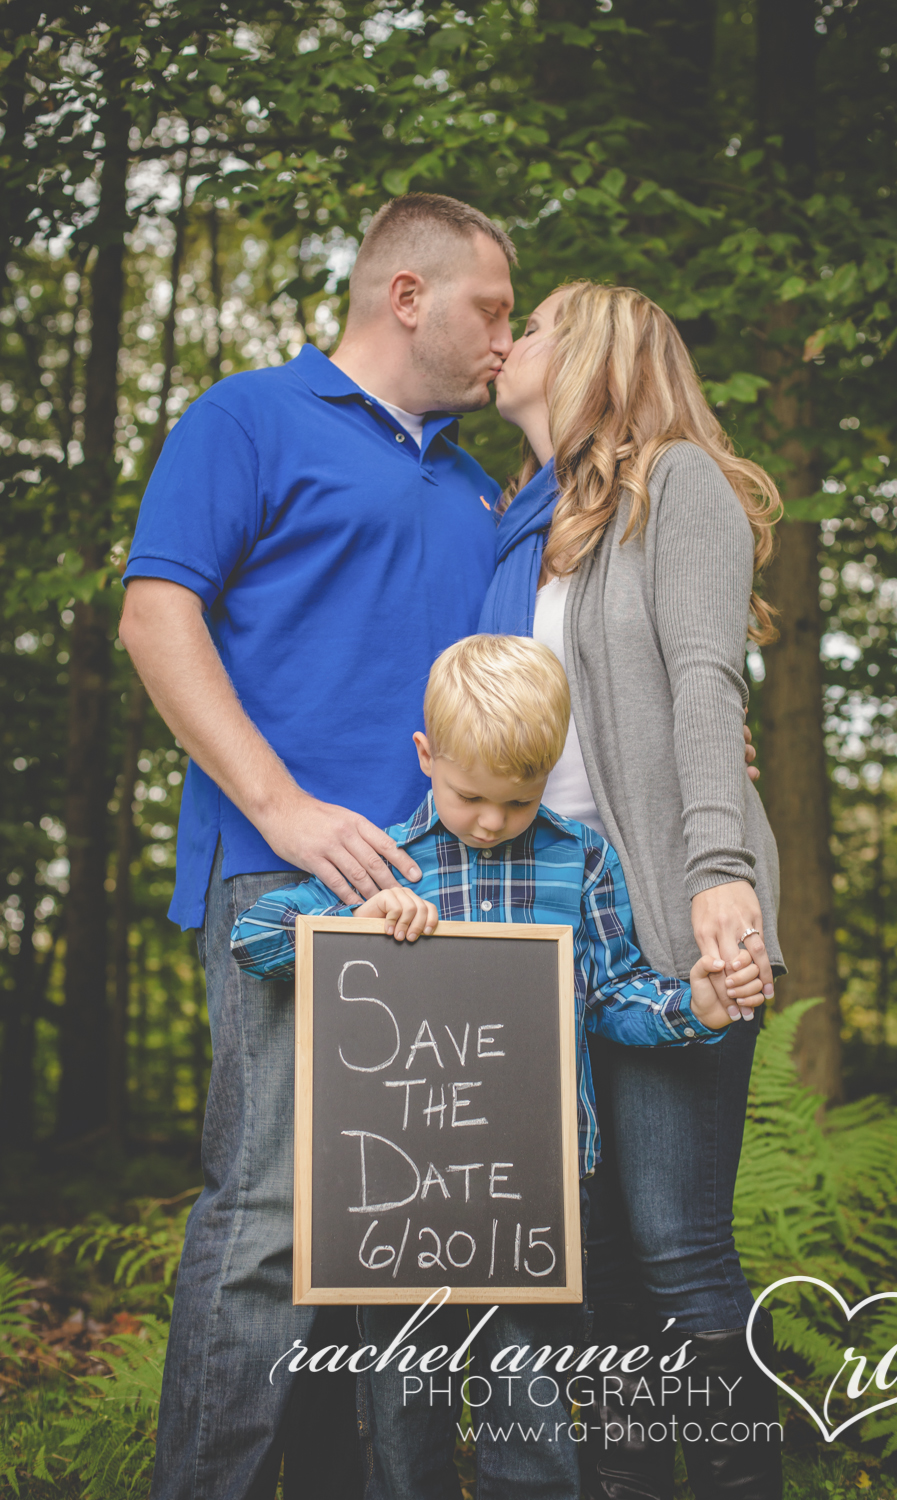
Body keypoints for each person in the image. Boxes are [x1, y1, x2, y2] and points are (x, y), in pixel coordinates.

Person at [117, 193, 519, 1500]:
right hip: (285, 881)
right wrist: (284, 807)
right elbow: (154, 616)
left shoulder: (479, 482)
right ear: (408, 295)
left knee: (403, 1239)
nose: (506, 340)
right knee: (268, 1228)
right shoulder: (247, 418)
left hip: (452, 898)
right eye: (491, 309)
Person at [230, 633, 768, 1500]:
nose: (490, 821)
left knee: (535, 1407)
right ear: (426, 757)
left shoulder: (580, 861)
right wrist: (360, 921)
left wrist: (693, 1008)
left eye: (518, 802)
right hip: (393, 1204)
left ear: (551, 771)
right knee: (405, 1410)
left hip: (539, 1197)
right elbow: (251, 939)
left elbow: (610, 994)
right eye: (471, 794)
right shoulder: (388, 863)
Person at [480, 281, 786, 1499]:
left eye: (537, 322)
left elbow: (707, 682)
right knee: (595, 1263)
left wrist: (718, 872)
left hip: (661, 920)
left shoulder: (680, 484)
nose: (511, 340)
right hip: (538, 932)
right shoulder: (538, 520)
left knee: (675, 1251)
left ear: (594, 350)